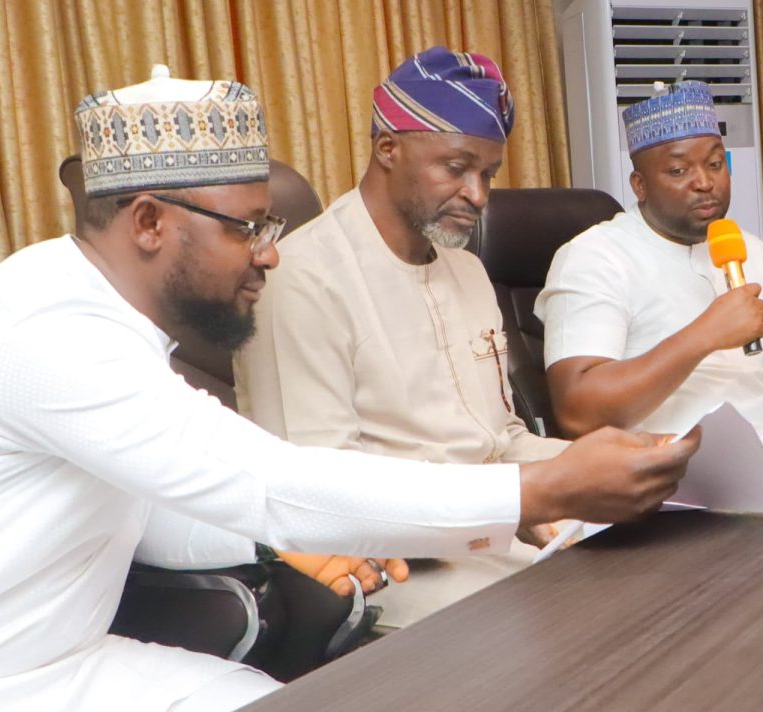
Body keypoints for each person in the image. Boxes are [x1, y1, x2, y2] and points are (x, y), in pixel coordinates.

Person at [0, 68, 699, 711]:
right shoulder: (49, 331)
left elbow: (144, 511)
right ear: (148, 221)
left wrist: (268, 545)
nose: (269, 254)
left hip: (66, 663)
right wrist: (537, 490)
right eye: (246, 228)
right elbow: (266, 480)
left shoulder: (108, 322)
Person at [234, 48, 568, 627]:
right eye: (457, 168)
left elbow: (500, 440)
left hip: (499, 533)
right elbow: (320, 494)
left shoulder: (467, 270)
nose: (478, 195)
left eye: (488, 174)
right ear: (388, 148)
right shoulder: (302, 278)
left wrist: (602, 467)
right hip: (396, 572)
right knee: (582, 626)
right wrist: (511, 505)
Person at [536, 80, 763, 440]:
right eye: (679, 171)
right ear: (640, 185)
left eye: (715, 164)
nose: (705, 183)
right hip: (665, 464)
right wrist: (706, 335)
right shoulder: (595, 257)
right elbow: (578, 413)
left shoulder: (747, 249)